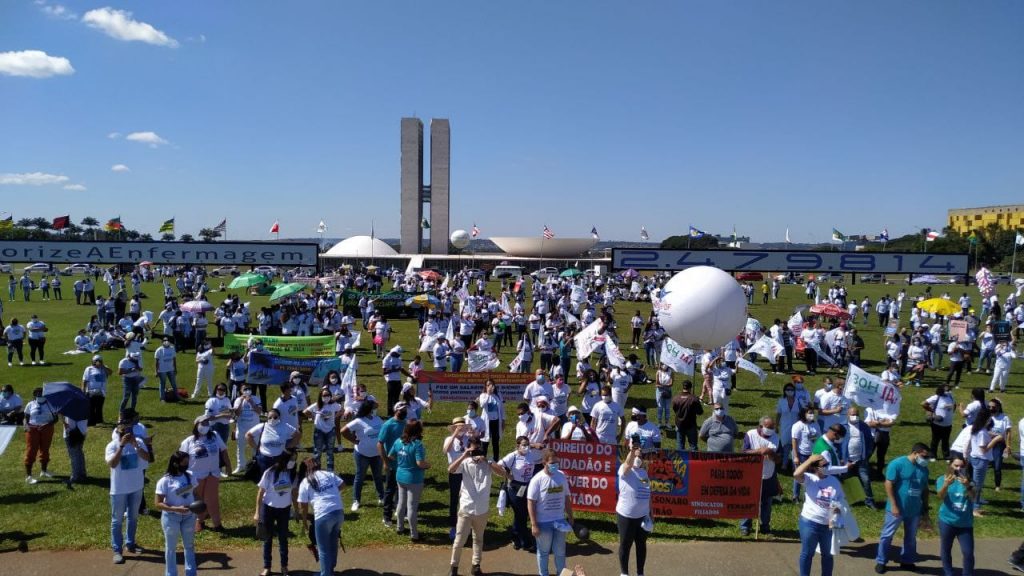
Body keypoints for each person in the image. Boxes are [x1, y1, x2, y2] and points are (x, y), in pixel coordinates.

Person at [448, 436, 507, 576]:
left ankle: (476, 566)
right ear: (468, 448)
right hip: (466, 508)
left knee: (478, 539)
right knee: (459, 540)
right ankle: (453, 568)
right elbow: (451, 469)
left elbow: (503, 473)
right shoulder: (465, 462)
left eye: (478, 448)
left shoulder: (488, 463)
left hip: (482, 509)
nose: (476, 452)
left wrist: (487, 460)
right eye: (473, 449)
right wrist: (464, 455)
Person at [875, 443, 932, 574]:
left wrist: (925, 508)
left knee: (911, 537)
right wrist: (894, 505)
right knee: (887, 535)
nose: (926, 459)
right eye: (924, 456)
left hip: (914, 510)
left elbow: (925, 489)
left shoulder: (924, 469)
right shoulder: (897, 464)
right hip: (896, 509)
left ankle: (907, 561)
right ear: (915, 453)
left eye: (927, 457)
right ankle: (881, 561)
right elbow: (888, 484)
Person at [107, 419, 152, 564]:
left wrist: (136, 446)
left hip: (136, 487)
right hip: (119, 490)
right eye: (123, 433)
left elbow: (148, 458)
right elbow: (113, 464)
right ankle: (117, 550)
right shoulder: (112, 446)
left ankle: (130, 543)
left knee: (133, 517)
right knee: (117, 520)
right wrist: (121, 446)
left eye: (129, 432)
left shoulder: (138, 443)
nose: (126, 435)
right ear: (118, 433)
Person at [794, 453, 845, 576]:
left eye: (827, 464)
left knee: (827, 555)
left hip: (827, 526)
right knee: (807, 554)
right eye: (824, 466)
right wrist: (809, 460)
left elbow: (839, 500)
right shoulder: (809, 479)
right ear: (815, 468)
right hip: (809, 523)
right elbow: (796, 474)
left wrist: (837, 511)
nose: (827, 467)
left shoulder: (834, 481)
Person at [527, 448, 575, 576]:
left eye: (556, 462)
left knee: (561, 552)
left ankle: (562, 574)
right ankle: (544, 574)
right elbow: (531, 502)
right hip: (543, 523)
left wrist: (570, 516)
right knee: (543, 552)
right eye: (552, 463)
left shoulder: (561, 476)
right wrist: (534, 524)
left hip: (560, 521)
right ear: (544, 463)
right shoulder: (537, 480)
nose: (555, 465)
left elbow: (566, 497)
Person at [297, 456, 345, 576]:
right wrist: (332, 494)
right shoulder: (328, 474)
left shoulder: (305, 481)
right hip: (338, 512)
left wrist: (304, 521)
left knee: (323, 548)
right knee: (333, 541)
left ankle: (326, 573)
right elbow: (343, 484)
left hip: (323, 516)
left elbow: (303, 505)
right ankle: (330, 568)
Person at [179, 416, 228, 532]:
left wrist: (228, 466)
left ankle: (217, 524)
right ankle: (199, 521)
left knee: (212, 500)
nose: (205, 425)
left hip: (213, 473)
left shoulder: (215, 436)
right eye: (202, 423)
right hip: (196, 475)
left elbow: (224, 451)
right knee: (198, 500)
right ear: (196, 425)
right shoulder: (189, 441)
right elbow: (181, 458)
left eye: (207, 423)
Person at [155, 451, 199, 576]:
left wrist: (199, 509)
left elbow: (195, 494)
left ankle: (191, 573)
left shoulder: (190, 476)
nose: (187, 465)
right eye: (184, 463)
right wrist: (175, 509)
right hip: (171, 518)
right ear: (175, 464)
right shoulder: (165, 481)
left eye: (187, 462)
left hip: (189, 517)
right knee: (171, 548)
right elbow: (158, 503)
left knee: (189, 545)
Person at [255, 451, 297, 576]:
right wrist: (257, 512)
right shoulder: (269, 473)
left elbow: (294, 493)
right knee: (267, 539)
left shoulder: (292, 474)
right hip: (268, 509)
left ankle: (284, 567)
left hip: (284, 510)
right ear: (284, 460)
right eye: (291, 459)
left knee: (283, 539)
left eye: (294, 460)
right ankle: (267, 567)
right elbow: (260, 493)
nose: (293, 462)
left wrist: (296, 510)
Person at [388, 419, 430, 541]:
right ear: (418, 431)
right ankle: (414, 534)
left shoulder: (398, 441)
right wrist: (428, 465)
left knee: (401, 503)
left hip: (400, 476)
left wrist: (401, 461)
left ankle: (400, 528)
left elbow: (390, 455)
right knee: (411, 507)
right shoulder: (417, 445)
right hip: (414, 479)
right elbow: (420, 463)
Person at [340, 398, 385, 512]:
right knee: (359, 477)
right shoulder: (358, 421)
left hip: (377, 454)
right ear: (369, 409)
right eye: (373, 408)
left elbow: (384, 431)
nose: (375, 409)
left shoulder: (378, 419)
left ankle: (382, 497)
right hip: (362, 454)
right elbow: (343, 431)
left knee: (378, 476)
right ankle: (356, 500)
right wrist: (353, 440)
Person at [740, 416, 780, 536]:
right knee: (749, 500)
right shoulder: (750, 434)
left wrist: (771, 453)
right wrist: (759, 451)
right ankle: (745, 526)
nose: (771, 429)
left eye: (773, 427)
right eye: (769, 427)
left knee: (766, 502)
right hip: (752, 474)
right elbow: (744, 453)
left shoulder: (776, 438)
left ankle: (765, 526)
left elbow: (779, 459)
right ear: (761, 426)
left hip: (768, 475)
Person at [616, 445, 652, 576]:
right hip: (626, 516)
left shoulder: (644, 473)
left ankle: (640, 573)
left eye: (640, 456)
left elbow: (648, 494)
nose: (638, 459)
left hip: (642, 516)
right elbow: (627, 464)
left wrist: (651, 514)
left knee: (641, 545)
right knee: (625, 545)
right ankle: (624, 573)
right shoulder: (625, 469)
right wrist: (632, 451)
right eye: (635, 456)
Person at [937, 457, 975, 576]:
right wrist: (946, 485)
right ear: (950, 465)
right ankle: (948, 573)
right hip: (947, 521)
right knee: (946, 548)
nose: (959, 468)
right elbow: (940, 496)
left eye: (961, 466)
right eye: (956, 465)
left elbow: (973, 497)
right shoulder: (942, 479)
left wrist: (968, 486)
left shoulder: (969, 481)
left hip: (965, 523)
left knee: (968, 552)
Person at [967, 407, 1002, 516]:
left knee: (975, 484)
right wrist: (995, 440)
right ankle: (974, 508)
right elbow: (984, 449)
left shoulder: (977, 428)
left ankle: (974, 506)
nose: (990, 420)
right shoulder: (982, 432)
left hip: (975, 458)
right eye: (989, 418)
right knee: (977, 486)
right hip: (981, 460)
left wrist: (990, 435)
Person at [378, 402, 407, 528]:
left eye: (405, 410)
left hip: (404, 464)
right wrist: (385, 462)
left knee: (403, 489)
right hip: (392, 464)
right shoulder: (388, 425)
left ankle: (400, 511)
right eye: (402, 410)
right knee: (390, 490)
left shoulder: (406, 424)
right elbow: (380, 444)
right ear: (396, 410)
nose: (404, 412)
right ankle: (387, 516)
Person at [246, 408, 300, 474]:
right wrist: (256, 447)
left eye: (275, 417)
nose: (272, 419)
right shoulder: (262, 426)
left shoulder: (285, 426)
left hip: (279, 458)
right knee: (263, 477)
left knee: (277, 476)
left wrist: (290, 445)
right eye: (270, 417)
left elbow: (297, 434)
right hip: (263, 459)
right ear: (267, 418)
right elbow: (248, 435)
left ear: (279, 417)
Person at [842, 406, 877, 508]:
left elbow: (870, 440)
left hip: (861, 459)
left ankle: (869, 500)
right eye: (853, 415)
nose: (855, 416)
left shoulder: (864, 426)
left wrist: (868, 453)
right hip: (847, 460)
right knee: (847, 480)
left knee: (865, 479)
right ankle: (851, 500)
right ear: (847, 415)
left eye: (857, 415)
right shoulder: (842, 426)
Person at [305, 387, 343, 472]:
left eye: (328, 395)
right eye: (324, 395)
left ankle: (330, 471)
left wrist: (335, 416)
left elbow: (342, 410)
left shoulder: (334, 405)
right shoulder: (317, 405)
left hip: (331, 431)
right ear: (321, 396)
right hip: (319, 431)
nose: (326, 397)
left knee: (330, 452)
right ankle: (317, 471)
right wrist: (313, 417)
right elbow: (305, 412)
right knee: (317, 452)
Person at [23, 387, 56, 483]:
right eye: (37, 394)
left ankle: (44, 471)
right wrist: (25, 425)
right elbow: (25, 417)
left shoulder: (50, 404)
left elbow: (56, 419)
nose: (40, 395)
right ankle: (29, 476)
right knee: (31, 450)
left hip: (47, 429)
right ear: (34, 395)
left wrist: (47, 424)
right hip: (32, 429)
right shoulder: (30, 404)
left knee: (45, 449)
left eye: (41, 393)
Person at [231, 384, 263, 474]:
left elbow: (259, 411)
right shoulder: (238, 400)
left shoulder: (256, 399)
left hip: (254, 429)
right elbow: (237, 413)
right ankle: (241, 466)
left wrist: (251, 402)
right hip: (241, 428)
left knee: (256, 447)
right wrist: (242, 401)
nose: (247, 390)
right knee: (240, 448)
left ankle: (256, 465)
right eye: (245, 389)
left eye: (249, 388)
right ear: (241, 391)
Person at [791, 406, 821, 500]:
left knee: (811, 475)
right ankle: (795, 496)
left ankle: (809, 495)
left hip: (813, 455)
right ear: (804, 414)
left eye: (812, 413)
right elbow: (794, 441)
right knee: (799, 474)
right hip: (801, 454)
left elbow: (818, 438)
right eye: (809, 413)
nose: (812, 415)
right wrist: (796, 456)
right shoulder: (798, 425)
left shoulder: (815, 424)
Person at [922, 384, 955, 461]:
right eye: (946, 390)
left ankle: (946, 456)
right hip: (937, 424)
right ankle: (933, 455)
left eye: (949, 390)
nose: (948, 391)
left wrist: (951, 413)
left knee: (945, 441)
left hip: (948, 424)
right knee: (935, 440)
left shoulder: (950, 396)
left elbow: (954, 404)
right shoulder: (936, 397)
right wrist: (931, 411)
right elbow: (923, 403)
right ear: (941, 390)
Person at [477, 379, 505, 460]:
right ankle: (483, 459)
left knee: (495, 442)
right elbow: (482, 405)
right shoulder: (483, 395)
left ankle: (496, 459)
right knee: (485, 441)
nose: (490, 386)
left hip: (496, 421)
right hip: (486, 422)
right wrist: (488, 394)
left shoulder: (498, 395)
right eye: (488, 385)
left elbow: (502, 408)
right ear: (485, 386)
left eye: (491, 384)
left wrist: (503, 420)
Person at [987, 398, 1011, 493]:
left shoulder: (1005, 418)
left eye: (993, 407)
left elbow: (1008, 433)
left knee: (997, 466)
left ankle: (997, 486)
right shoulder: (987, 416)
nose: (991, 408)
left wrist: (1008, 446)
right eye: (989, 406)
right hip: (986, 442)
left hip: (999, 444)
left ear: (998, 407)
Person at [671, 380, 703, 451]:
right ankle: (694, 459)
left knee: (680, 447)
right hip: (691, 425)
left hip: (679, 424)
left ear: (683, 387)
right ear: (690, 388)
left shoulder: (676, 398)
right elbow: (700, 412)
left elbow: (675, 409)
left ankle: (681, 458)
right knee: (693, 447)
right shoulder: (694, 399)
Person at [382, 345, 413, 417]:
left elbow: (402, 370)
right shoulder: (387, 359)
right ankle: (390, 413)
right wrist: (395, 369)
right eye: (398, 354)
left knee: (396, 397)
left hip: (398, 380)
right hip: (390, 380)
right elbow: (384, 372)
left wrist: (411, 376)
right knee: (391, 397)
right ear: (394, 352)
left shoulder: (399, 358)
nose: (399, 355)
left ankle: (396, 412)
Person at [81, 354, 112, 426]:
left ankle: (99, 421)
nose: (97, 362)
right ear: (93, 361)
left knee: (99, 407)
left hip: (101, 391)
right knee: (91, 407)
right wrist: (83, 389)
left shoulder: (104, 368)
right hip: (91, 391)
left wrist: (103, 366)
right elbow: (84, 380)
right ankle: (91, 422)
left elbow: (110, 372)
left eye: (99, 361)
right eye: (96, 361)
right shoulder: (89, 369)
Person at [204, 383, 233, 448]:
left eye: (223, 389)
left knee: (223, 447)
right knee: (214, 447)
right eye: (219, 389)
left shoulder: (227, 400)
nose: (221, 391)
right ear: (216, 390)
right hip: (214, 426)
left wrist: (231, 414)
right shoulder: (211, 401)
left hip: (225, 426)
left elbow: (230, 412)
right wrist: (222, 415)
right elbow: (207, 417)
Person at [62, 411, 88, 484]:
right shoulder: (84, 405)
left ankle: (75, 477)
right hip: (82, 431)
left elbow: (69, 423)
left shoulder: (71, 407)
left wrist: (63, 421)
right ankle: (82, 474)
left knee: (74, 455)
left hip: (72, 433)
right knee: (79, 453)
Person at [154, 338, 178, 402]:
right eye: (164, 340)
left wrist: (175, 369)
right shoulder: (159, 350)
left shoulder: (172, 348)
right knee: (162, 384)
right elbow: (156, 362)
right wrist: (156, 371)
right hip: (162, 370)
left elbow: (174, 359)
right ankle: (162, 398)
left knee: (173, 383)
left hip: (171, 369)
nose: (166, 342)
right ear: (162, 342)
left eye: (167, 340)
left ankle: (177, 396)